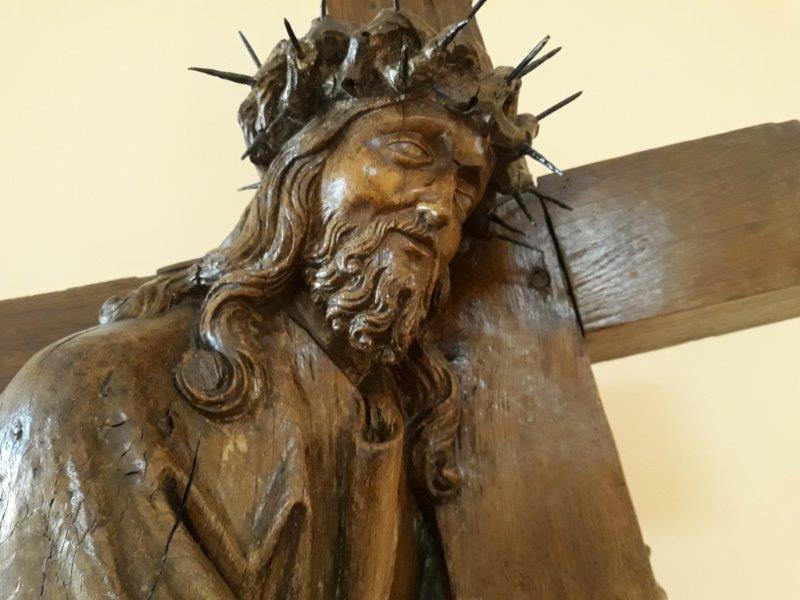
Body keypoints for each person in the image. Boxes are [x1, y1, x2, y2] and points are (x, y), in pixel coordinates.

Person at [0, 8, 549, 598]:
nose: (439, 208)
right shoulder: (100, 392)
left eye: (463, 188)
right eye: (407, 154)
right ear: (301, 176)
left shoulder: (413, 435)